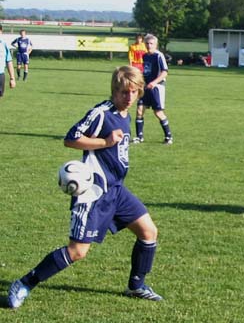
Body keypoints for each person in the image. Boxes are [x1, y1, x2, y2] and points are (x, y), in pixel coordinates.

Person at [7, 66, 163, 309]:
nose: (129, 97)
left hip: (117, 191)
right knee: (78, 251)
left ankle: (136, 285)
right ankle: (24, 283)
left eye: (134, 92)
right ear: (114, 91)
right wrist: (104, 142)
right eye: (124, 92)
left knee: (149, 232)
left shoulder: (126, 114)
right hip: (94, 193)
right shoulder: (101, 113)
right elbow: (71, 138)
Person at [133, 34, 173, 145]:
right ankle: (139, 137)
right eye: (147, 43)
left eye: (151, 43)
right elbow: (146, 71)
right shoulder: (145, 56)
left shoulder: (158, 56)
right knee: (139, 110)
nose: (149, 45)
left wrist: (154, 82)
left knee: (158, 112)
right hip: (145, 87)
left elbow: (165, 72)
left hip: (157, 87)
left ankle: (168, 136)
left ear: (156, 45)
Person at [0, 24, 16, 97]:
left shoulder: (3, 45)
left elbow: (9, 62)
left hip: (0, 75)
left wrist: (12, 78)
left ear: (1, 31)